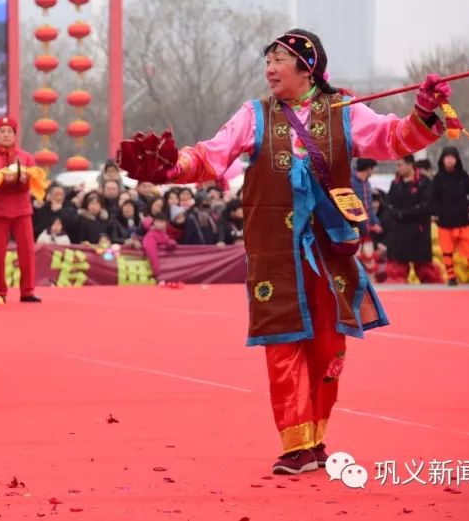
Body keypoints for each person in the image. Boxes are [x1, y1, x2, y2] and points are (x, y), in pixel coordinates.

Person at [117, 28, 448, 475]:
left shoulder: (344, 112)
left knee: (329, 347)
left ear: (307, 67)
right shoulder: (253, 116)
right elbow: (213, 156)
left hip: (329, 249)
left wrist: (425, 110)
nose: (270, 68)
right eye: (267, 59)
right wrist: (170, 167)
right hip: (275, 250)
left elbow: (394, 139)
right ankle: (295, 445)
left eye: (280, 59)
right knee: (282, 342)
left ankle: (317, 437)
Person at [0, 116, 41, 303]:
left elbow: (34, 182)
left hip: (22, 210)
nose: (6, 135)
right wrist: (3, 180)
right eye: (2, 132)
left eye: (9, 131)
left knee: (27, 251)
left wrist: (23, 180)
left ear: (15, 135)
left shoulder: (26, 157)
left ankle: (27, 291)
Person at [430, 146, 469, 285]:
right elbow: (432, 198)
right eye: (447, 157)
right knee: (446, 252)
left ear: (457, 159)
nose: (449, 160)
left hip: (462, 220)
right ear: (442, 160)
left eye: (452, 157)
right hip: (445, 221)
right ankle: (451, 277)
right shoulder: (438, 178)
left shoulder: (463, 175)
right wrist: (437, 212)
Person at [385, 155, 441, 284]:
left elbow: (426, 206)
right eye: (397, 165)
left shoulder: (424, 182)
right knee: (397, 270)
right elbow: (388, 204)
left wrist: (404, 214)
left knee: (425, 270)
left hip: (418, 231)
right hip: (399, 232)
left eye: (401, 164)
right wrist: (395, 213)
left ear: (410, 165)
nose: (398, 168)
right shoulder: (395, 183)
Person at [351, 159, 380, 279]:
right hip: (354, 230)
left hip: (366, 230)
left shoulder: (366, 183)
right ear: (368, 169)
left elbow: (369, 207)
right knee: (354, 261)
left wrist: (375, 222)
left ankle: (371, 288)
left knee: (369, 260)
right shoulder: (351, 182)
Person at [142, 213, 179, 287]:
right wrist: (156, 270)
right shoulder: (150, 235)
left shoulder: (163, 234)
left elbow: (167, 240)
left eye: (162, 222)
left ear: (165, 223)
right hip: (152, 268)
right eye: (157, 222)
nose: (159, 224)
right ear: (154, 222)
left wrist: (172, 243)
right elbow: (151, 253)